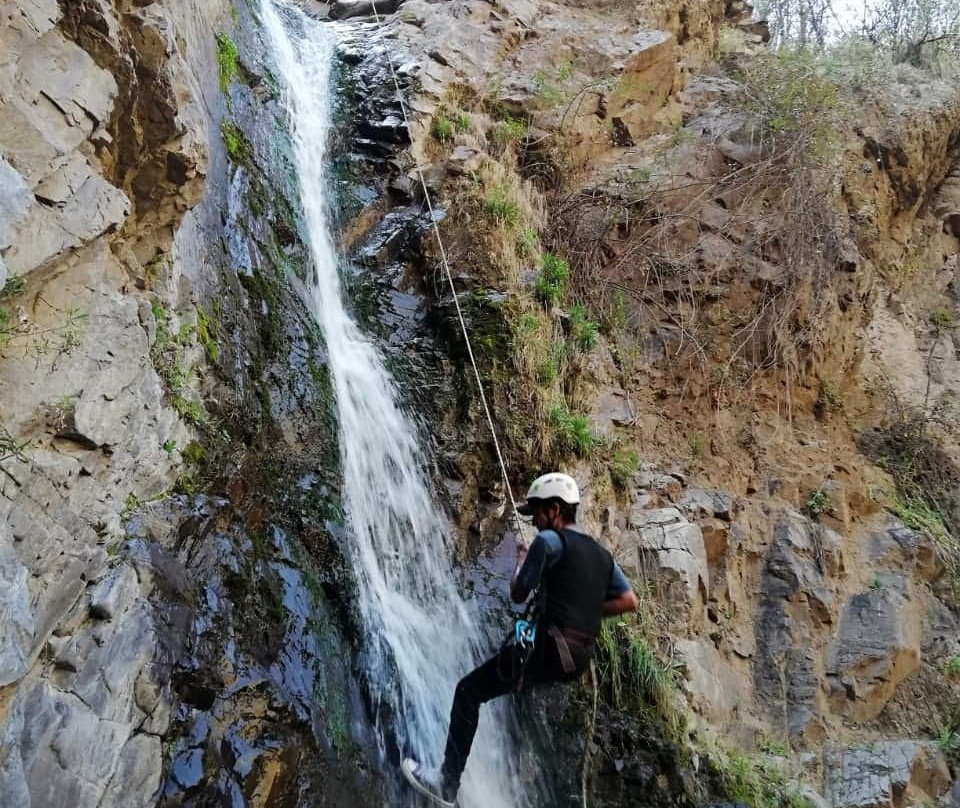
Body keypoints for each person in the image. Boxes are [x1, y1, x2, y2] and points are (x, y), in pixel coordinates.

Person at [401, 472, 639, 807]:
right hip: (577, 659)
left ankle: (446, 783)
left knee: (468, 692)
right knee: (516, 687)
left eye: (538, 513)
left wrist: (521, 561)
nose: (536, 522)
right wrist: (585, 609)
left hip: (547, 648)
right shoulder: (602, 555)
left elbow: (517, 593)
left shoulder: (549, 543)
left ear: (555, 510)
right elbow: (630, 600)